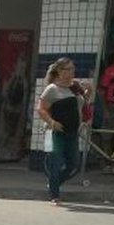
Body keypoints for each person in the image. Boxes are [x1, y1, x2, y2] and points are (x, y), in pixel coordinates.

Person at [37, 57, 91, 205]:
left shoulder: (75, 87)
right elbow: (41, 109)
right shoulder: (52, 89)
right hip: (56, 132)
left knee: (74, 163)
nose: (73, 72)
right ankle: (55, 195)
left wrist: (89, 91)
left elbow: (84, 103)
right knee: (56, 161)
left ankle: (54, 183)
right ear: (60, 72)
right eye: (69, 69)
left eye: (73, 69)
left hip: (73, 131)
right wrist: (52, 122)